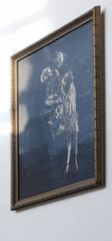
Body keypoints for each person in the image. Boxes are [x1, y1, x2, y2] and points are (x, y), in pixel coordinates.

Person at [40, 50, 78, 182]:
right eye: (58, 59)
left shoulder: (61, 76)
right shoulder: (50, 74)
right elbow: (47, 99)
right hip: (52, 116)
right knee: (53, 147)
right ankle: (55, 176)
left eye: (61, 61)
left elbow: (62, 94)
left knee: (63, 143)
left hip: (60, 115)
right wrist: (58, 101)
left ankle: (65, 172)